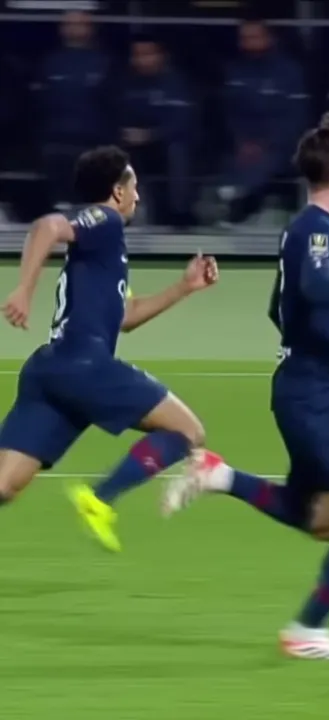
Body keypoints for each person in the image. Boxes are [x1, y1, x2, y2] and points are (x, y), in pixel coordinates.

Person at [161, 113, 329, 660]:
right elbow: (316, 288)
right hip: (310, 395)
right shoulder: (315, 230)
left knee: (324, 520)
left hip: (308, 386)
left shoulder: (316, 230)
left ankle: (220, 476)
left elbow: (279, 307)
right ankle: (308, 631)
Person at [0, 146, 219, 553]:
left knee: (4, 486)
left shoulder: (104, 249)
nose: (138, 195)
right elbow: (46, 226)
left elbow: (126, 316)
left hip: (52, 370)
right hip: (85, 365)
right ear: (118, 191)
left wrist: (184, 287)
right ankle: (100, 501)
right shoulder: (105, 221)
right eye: (134, 186)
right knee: (187, 432)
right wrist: (24, 290)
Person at [217, 18, 308, 225]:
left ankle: (240, 204)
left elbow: (296, 117)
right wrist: (242, 141)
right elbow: (230, 113)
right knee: (233, 160)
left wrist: (267, 143)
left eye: (255, 36)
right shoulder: (235, 71)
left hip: (281, 144)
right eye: (245, 37)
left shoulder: (289, 70)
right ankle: (234, 203)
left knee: (265, 162)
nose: (249, 42)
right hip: (243, 143)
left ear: (269, 38)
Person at [35, 10, 113, 210]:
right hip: (56, 136)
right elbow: (40, 102)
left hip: (94, 137)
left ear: (91, 27)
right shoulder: (50, 62)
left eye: (80, 24)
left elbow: (112, 103)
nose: (74, 29)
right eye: (69, 24)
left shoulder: (105, 62)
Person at [117, 35, 195, 227]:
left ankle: (179, 215)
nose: (142, 60)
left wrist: (151, 135)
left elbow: (183, 123)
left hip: (169, 143)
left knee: (178, 152)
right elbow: (114, 116)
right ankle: (125, 213)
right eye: (137, 55)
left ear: (161, 55)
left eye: (148, 54)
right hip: (134, 144)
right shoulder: (125, 83)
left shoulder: (177, 83)